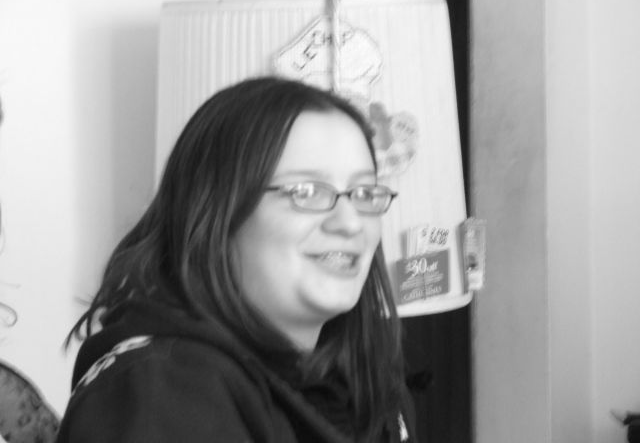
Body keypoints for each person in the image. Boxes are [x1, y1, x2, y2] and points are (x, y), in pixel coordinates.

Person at [55, 77, 416, 442]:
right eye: (306, 191)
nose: (350, 223)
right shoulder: (163, 391)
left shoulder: (362, 389)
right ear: (217, 213)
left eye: (364, 192)